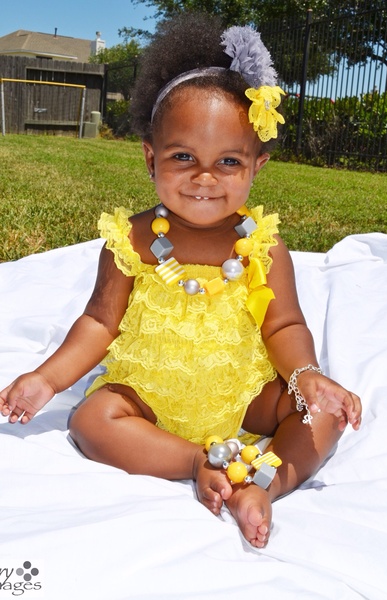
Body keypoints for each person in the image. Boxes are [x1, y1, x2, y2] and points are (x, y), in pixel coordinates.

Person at [0, 13, 361, 548]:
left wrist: (306, 375)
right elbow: (99, 322)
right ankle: (195, 462)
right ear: (151, 157)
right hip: (150, 394)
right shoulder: (133, 240)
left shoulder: (262, 246)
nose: (204, 177)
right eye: (183, 156)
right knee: (91, 419)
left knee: (322, 416)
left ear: (257, 166)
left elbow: (283, 324)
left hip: (242, 393)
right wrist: (46, 379)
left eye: (228, 161)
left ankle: (262, 484)